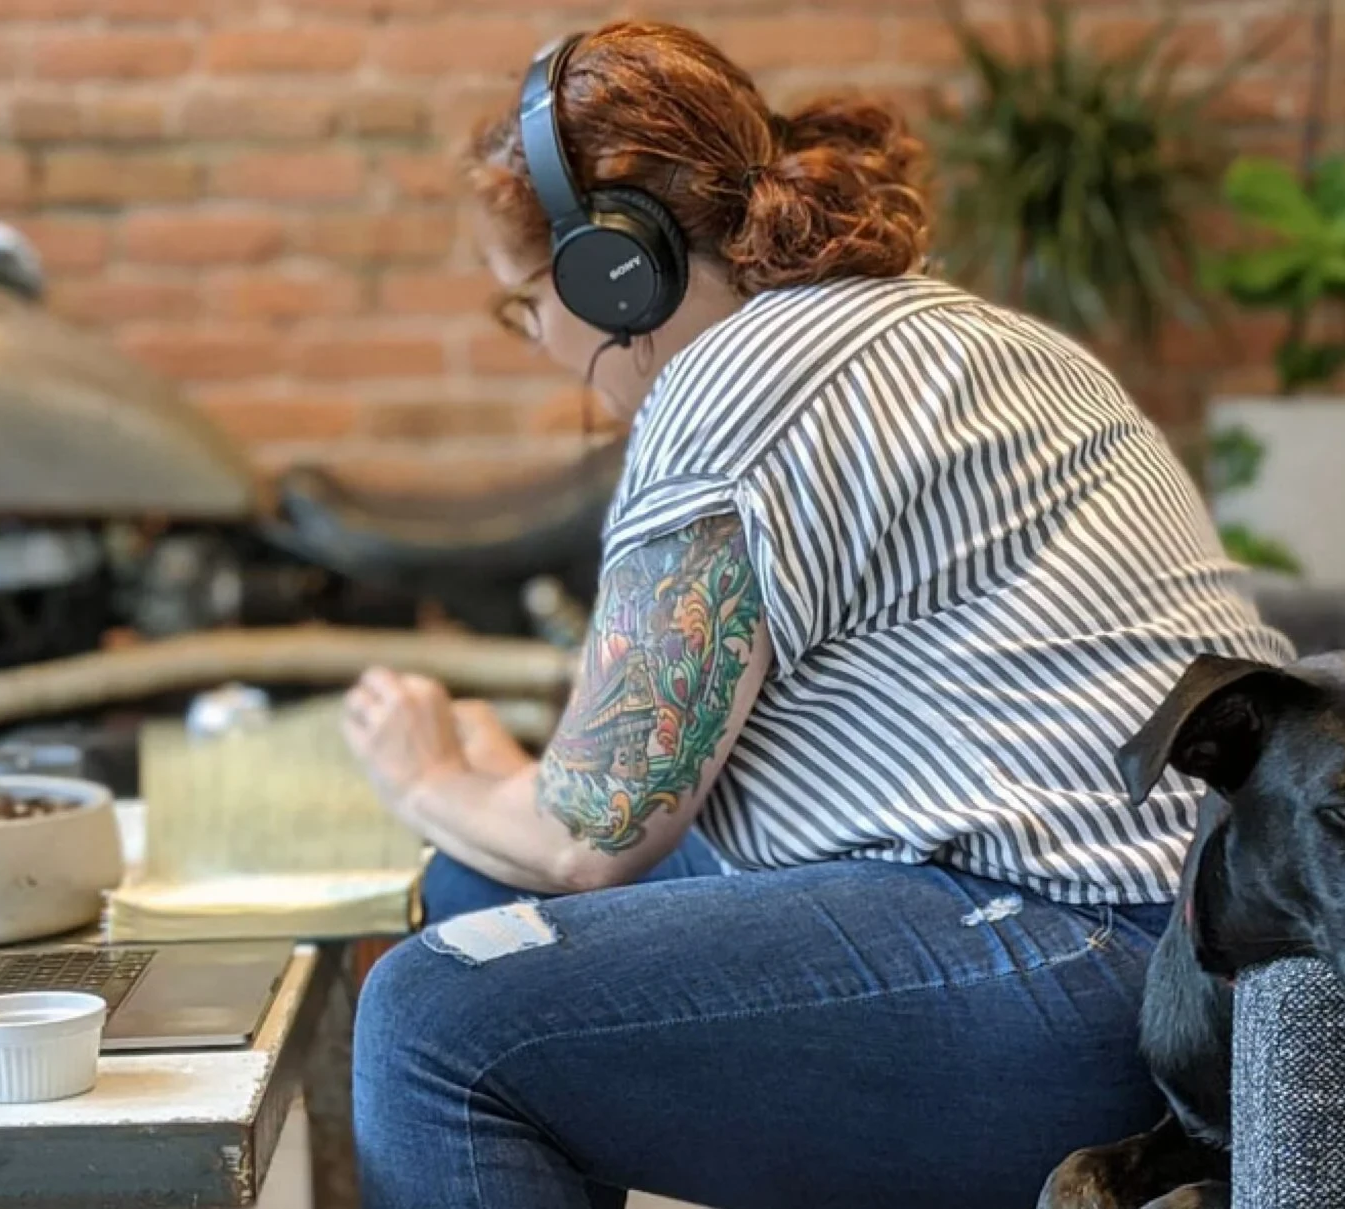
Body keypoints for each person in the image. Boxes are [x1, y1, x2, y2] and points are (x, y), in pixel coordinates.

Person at [340, 20, 1294, 1209]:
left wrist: (424, 774)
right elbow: (598, 806)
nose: (532, 338)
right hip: (1204, 936)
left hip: (1101, 967)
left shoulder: (732, 386)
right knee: (479, 896)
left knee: (434, 1020)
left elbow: (589, 843)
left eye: (521, 303)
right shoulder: (935, 324)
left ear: (609, 269)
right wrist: (508, 793)